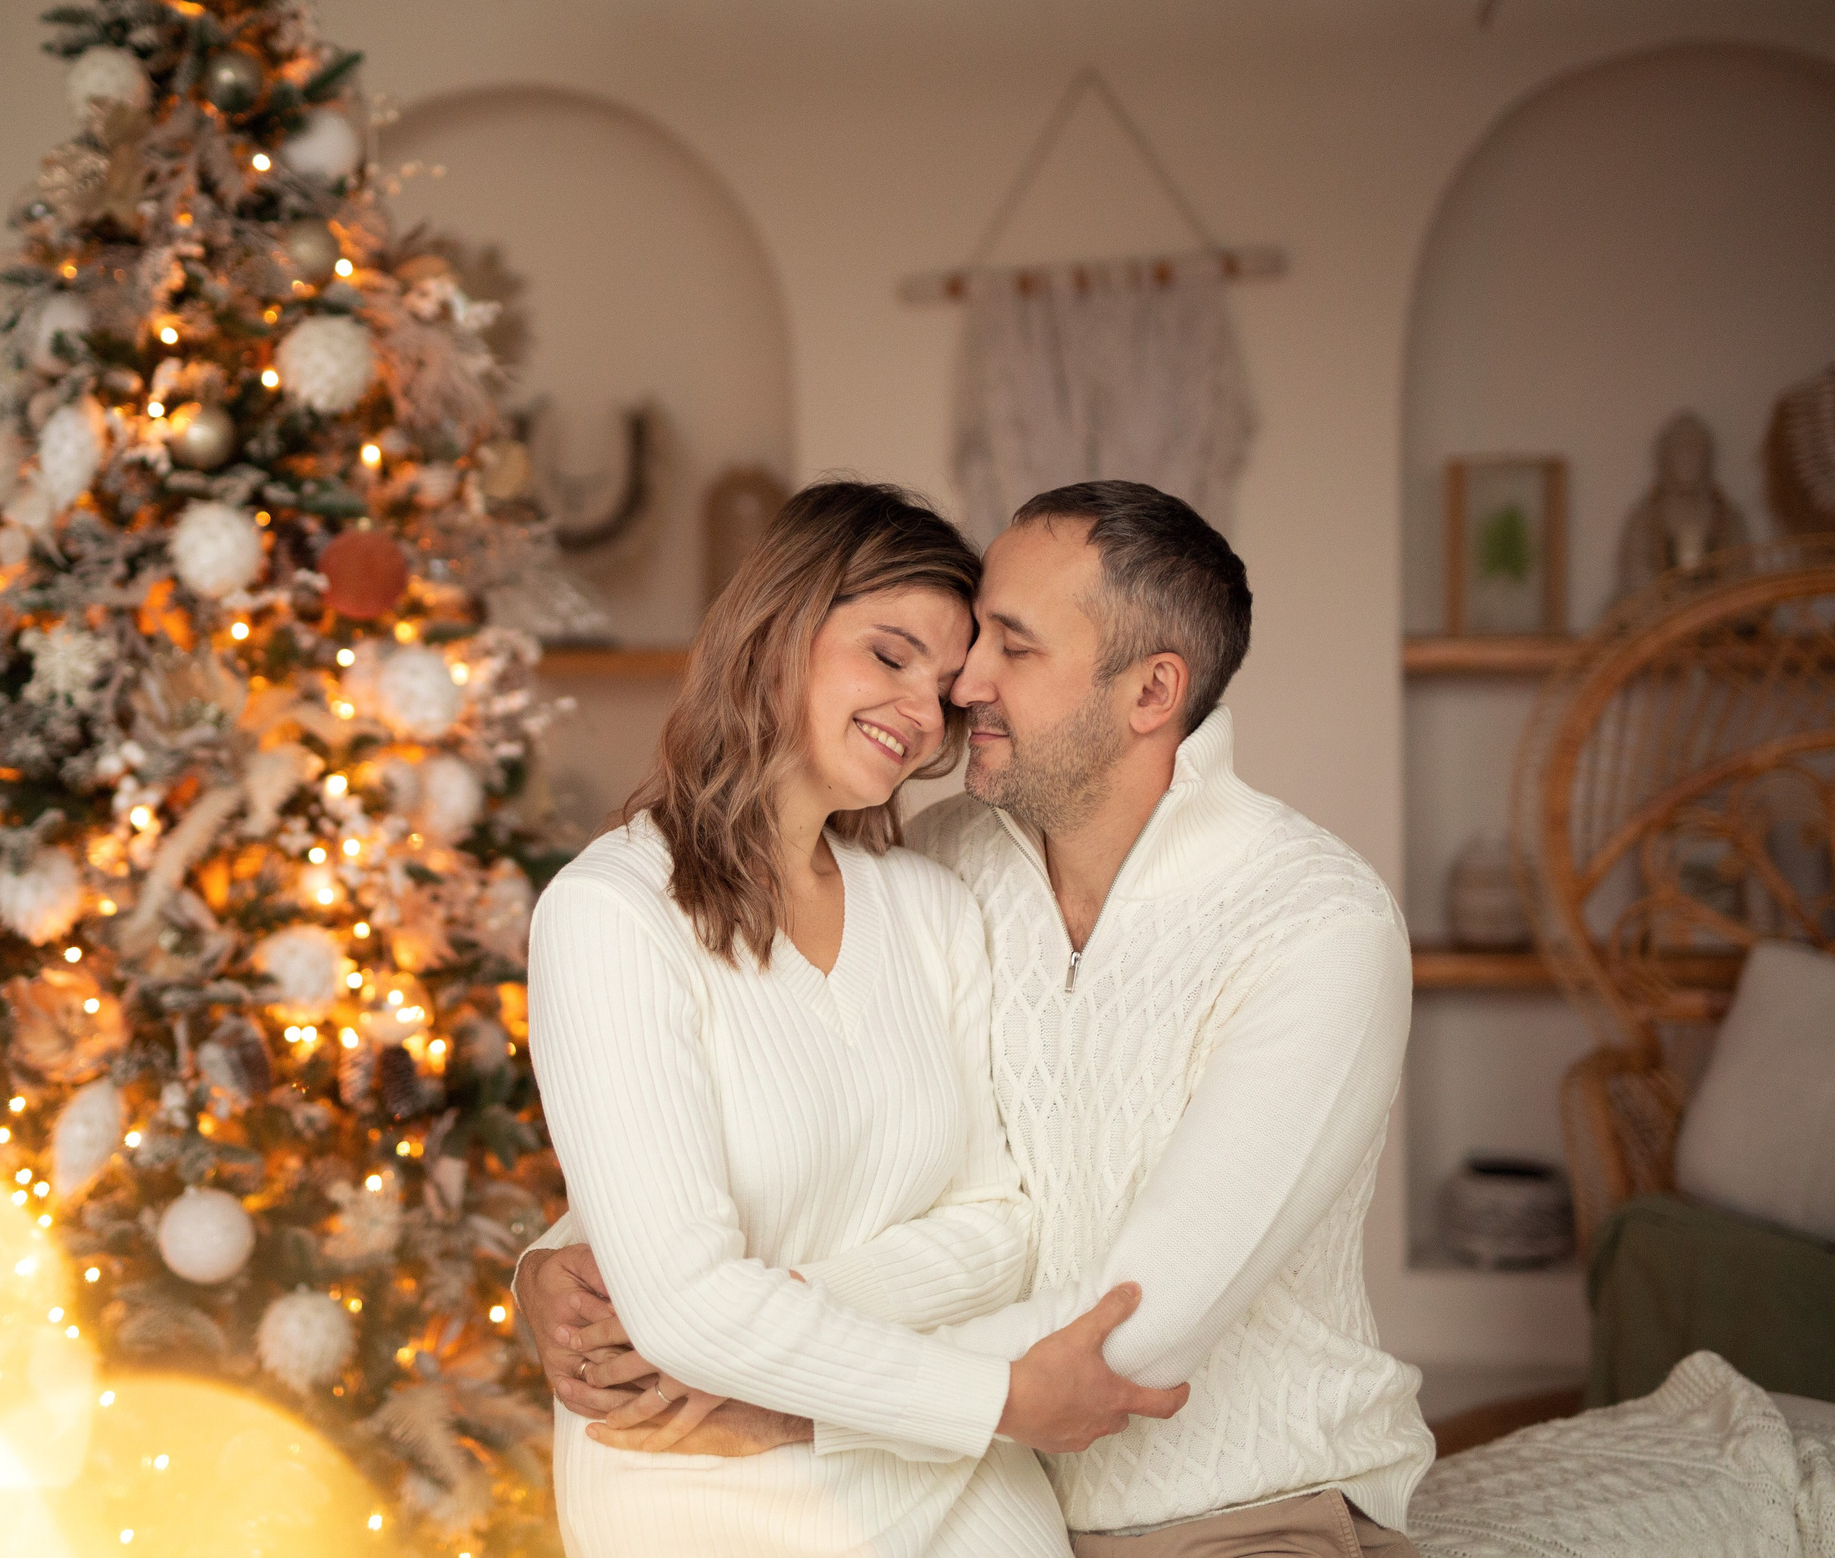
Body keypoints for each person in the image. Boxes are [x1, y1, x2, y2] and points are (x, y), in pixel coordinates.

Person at [523, 480, 1434, 1558]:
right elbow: (739, 1160)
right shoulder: (953, 855)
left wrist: (784, 1384)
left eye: (1012, 646)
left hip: (1233, 1508)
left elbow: (1123, 1316)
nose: (958, 691)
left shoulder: (1314, 925)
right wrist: (567, 1265)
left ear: (1151, 691)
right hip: (970, 1472)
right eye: (918, 652)